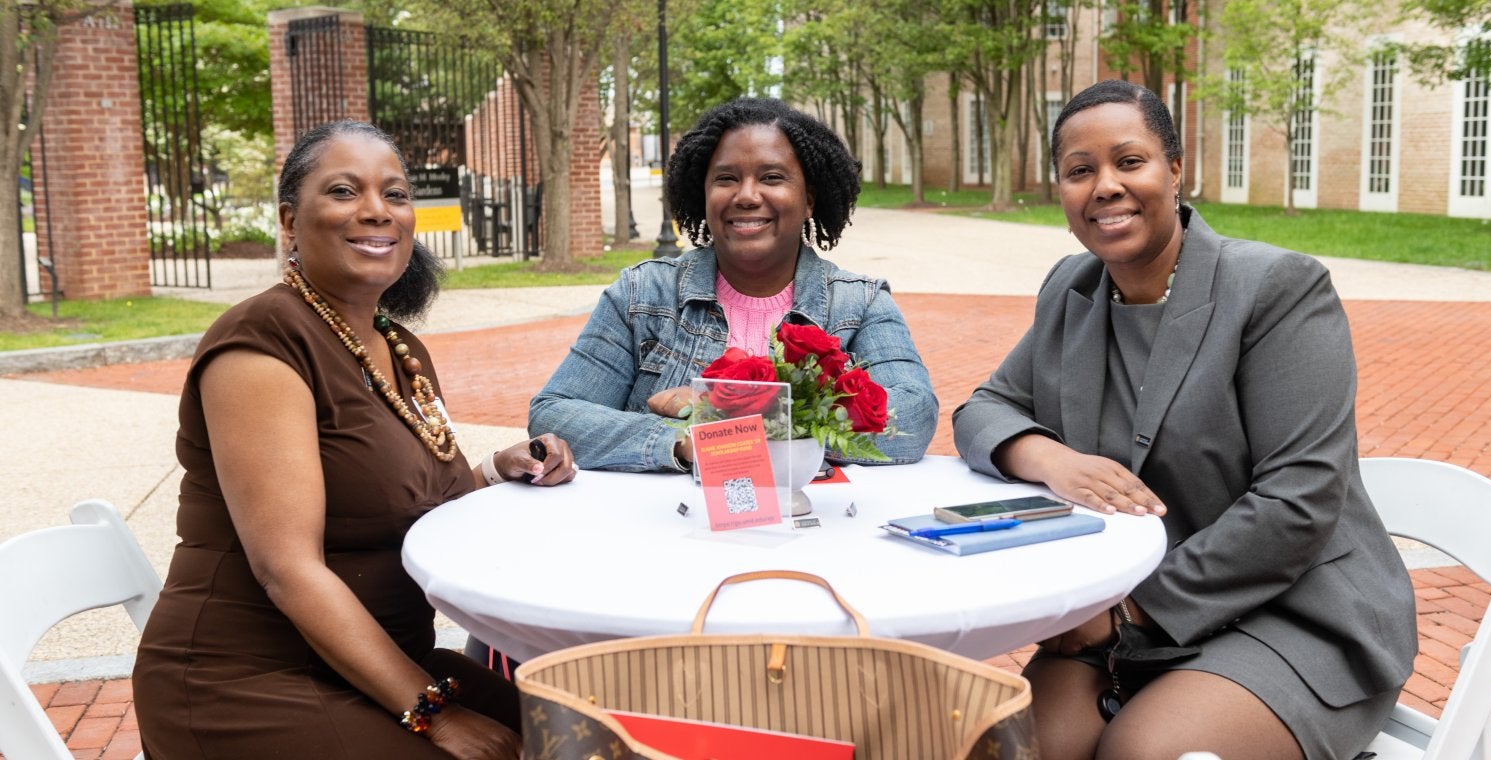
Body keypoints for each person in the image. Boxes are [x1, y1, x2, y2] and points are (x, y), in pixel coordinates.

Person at [952, 80, 1416, 760]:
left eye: (1129, 161)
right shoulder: (1072, 290)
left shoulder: (1276, 290)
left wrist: (1121, 616)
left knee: (1142, 753)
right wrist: (1052, 459)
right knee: (1005, 747)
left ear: (1174, 169)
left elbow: (1299, 501)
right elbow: (983, 410)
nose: (1104, 186)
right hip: (1122, 622)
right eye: (1080, 171)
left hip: (1295, 614)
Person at [132, 120, 576, 759]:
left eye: (395, 194)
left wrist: (496, 470)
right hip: (248, 680)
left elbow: (391, 501)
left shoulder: (397, 346)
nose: (376, 211)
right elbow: (287, 569)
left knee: (584, 734)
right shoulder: (262, 344)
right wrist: (438, 715)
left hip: (382, 662)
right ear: (290, 220)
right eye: (343, 191)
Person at [530, 97, 937, 471]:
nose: (746, 195)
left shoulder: (859, 304)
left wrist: (716, 414)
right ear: (703, 193)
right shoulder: (642, 294)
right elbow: (556, 412)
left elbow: (913, 417)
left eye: (772, 177)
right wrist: (682, 443)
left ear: (809, 199)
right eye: (725, 178)